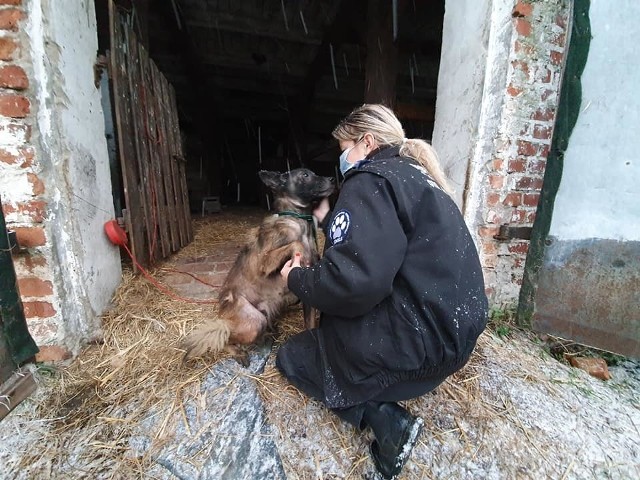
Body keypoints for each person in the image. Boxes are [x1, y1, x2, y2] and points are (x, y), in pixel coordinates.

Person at [278, 104, 488, 479]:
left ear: (367, 141)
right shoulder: (420, 178)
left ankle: (387, 420)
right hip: (454, 343)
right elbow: (382, 253)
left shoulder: (369, 179)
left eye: (344, 148)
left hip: (418, 352)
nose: (342, 159)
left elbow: (354, 283)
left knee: (295, 356)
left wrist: (297, 279)